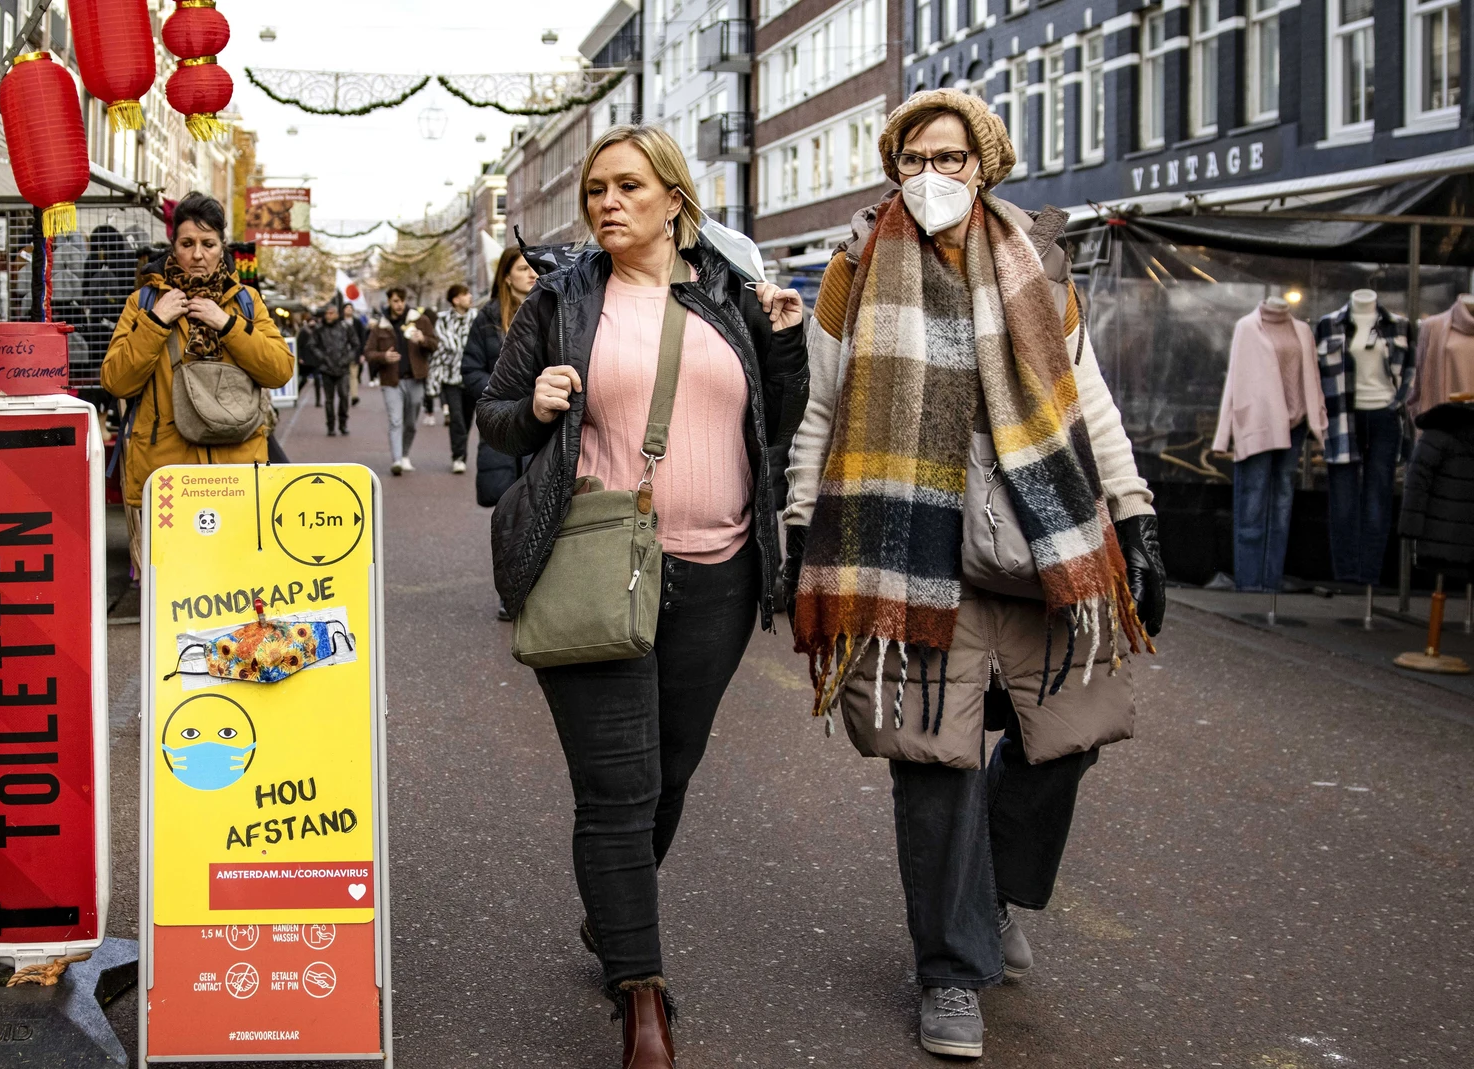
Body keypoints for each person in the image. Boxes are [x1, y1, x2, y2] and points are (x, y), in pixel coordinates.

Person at [780, 90, 1166, 1060]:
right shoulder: (854, 269)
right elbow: (821, 414)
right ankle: (950, 972)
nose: (932, 175)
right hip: (909, 548)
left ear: (985, 165)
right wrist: (797, 529)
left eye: (950, 157)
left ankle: (992, 890)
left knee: (1068, 734)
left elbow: (1089, 405)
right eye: (914, 157)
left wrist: (1135, 515)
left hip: (1038, 540)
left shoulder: (1036, 261)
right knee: (933, 761)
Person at [475, 124, 809, 1069]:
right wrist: (534, 403)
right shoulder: (561, 299)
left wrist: (785, 347)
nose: (607, 204)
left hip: (721, 574)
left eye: (627, 186)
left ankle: (612, 912)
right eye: (594, 192)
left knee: (670, 771)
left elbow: (776, 424)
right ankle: (643, 997)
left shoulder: (730, 296)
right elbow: (493, 415)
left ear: (674, 198)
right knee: (617, 788)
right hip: (595, 563)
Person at [101, 193, 294, 564]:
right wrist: (156, 322)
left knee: (235, 580)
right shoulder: (143, 302)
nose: (198, 254)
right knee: (174, 584)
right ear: (173, 247)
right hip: (170, 476)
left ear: (222, 248)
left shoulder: (245, 301)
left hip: (237, 472)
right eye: (187, 243)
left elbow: (279, 369)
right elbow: (116, 381)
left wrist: (228, 325)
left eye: (208, 244)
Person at [463, 247, 539, 512]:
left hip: (541, 422)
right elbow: (470, 371)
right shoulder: (487, 318)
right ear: (506, 277)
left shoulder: (554, 310)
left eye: (533, 267)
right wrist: (501, 394)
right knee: (506, 511)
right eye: (522, 268)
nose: (532, 273)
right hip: (502, 422)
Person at [365, 288, 436, 475]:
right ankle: (396, 460)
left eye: (402, 301)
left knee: (411, 422)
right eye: (395, 301)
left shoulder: (421, 321)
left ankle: (405, 455)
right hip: (391, 381)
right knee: (395, 420)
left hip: (415, 378)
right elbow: (368, 352)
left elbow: (435, 344)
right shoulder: (381, 325)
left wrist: (423, 339)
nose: (399, 305)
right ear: (389, 301)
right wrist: (383, 356)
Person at [429, 283, 477, 473]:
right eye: (466, 294)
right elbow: (447, 344)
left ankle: (461, 452)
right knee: (456, 418)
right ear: (456, 299)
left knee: (466, 419)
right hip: (451, 378)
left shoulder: (476, 318)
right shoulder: (443, 320)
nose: (470, 296)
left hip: (471, 377)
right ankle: (458, 456)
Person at [300, 301, 361, 436]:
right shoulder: (320, 329)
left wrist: (348, 358)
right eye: (327, 313)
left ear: (337, 314)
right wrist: (322, 357)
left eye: (331, 313)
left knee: (344, 396)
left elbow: (356, 344)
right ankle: (331, 425)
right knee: (329, 399)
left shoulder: (346, 327)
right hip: (326, 368)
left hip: (343, 367)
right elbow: (312, 345)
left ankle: (343, 423)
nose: (329, 316)